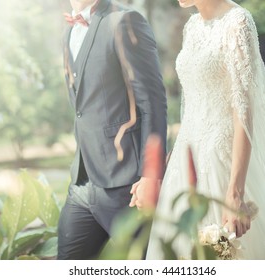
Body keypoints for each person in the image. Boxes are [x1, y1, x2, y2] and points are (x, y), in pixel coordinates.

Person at [144, 0, 265, 259]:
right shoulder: (191, 27)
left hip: (221, 162)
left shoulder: (238, 22)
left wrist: (235, 193)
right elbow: (192, 105)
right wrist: (170, 161)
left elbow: (243, 115)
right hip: (185, 164)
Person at [57, 0, 167, 260]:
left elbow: (152, 102)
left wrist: (151, 175)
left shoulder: (125, 21)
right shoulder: (68, 32)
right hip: (82, 182)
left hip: (126, 184)